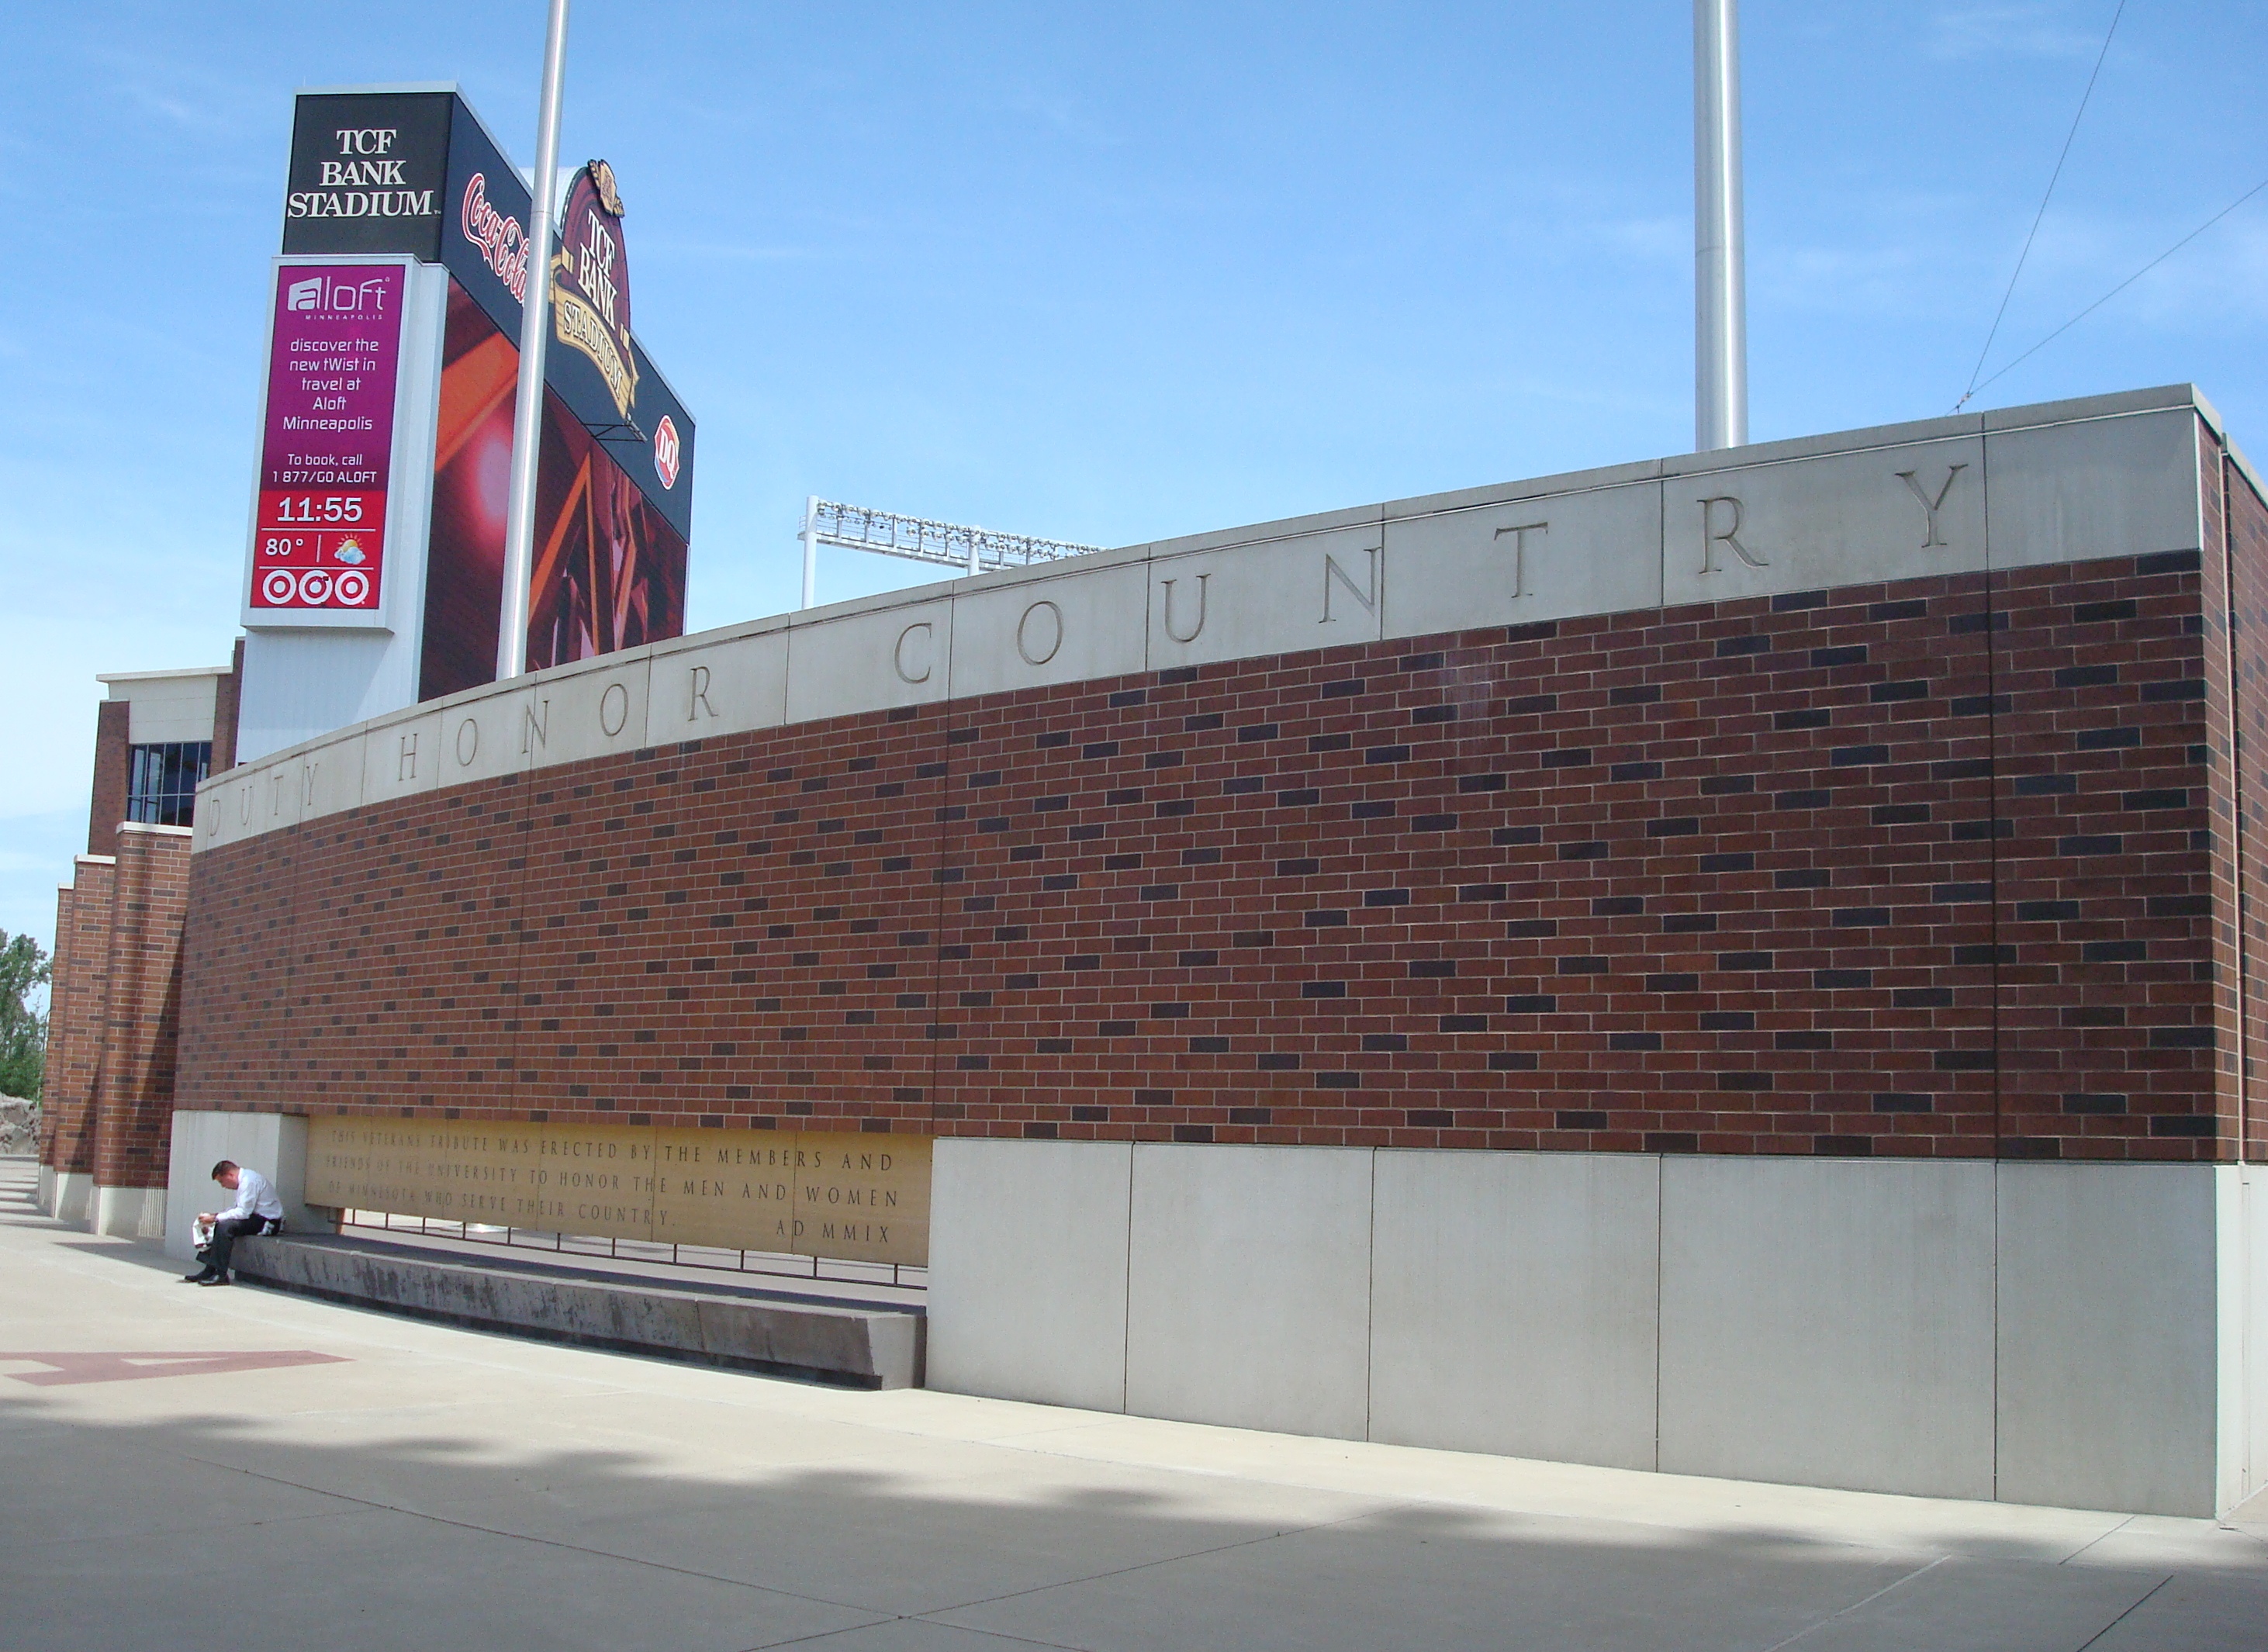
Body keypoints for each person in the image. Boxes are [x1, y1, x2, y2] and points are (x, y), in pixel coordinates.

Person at [182, 1160, 284, 1286]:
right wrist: (215, 1216)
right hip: (255, 1217)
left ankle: (220, 1274)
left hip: (268, 1222)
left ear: (230, 1175)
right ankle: (210, 1270)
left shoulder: (249, 1181)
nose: (223, 1186)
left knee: (225, 1227)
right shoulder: (244, 1181)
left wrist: (216, 1217)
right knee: (221, 1224)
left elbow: (243, 1213)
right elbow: (238, 1209)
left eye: (222, 1181)